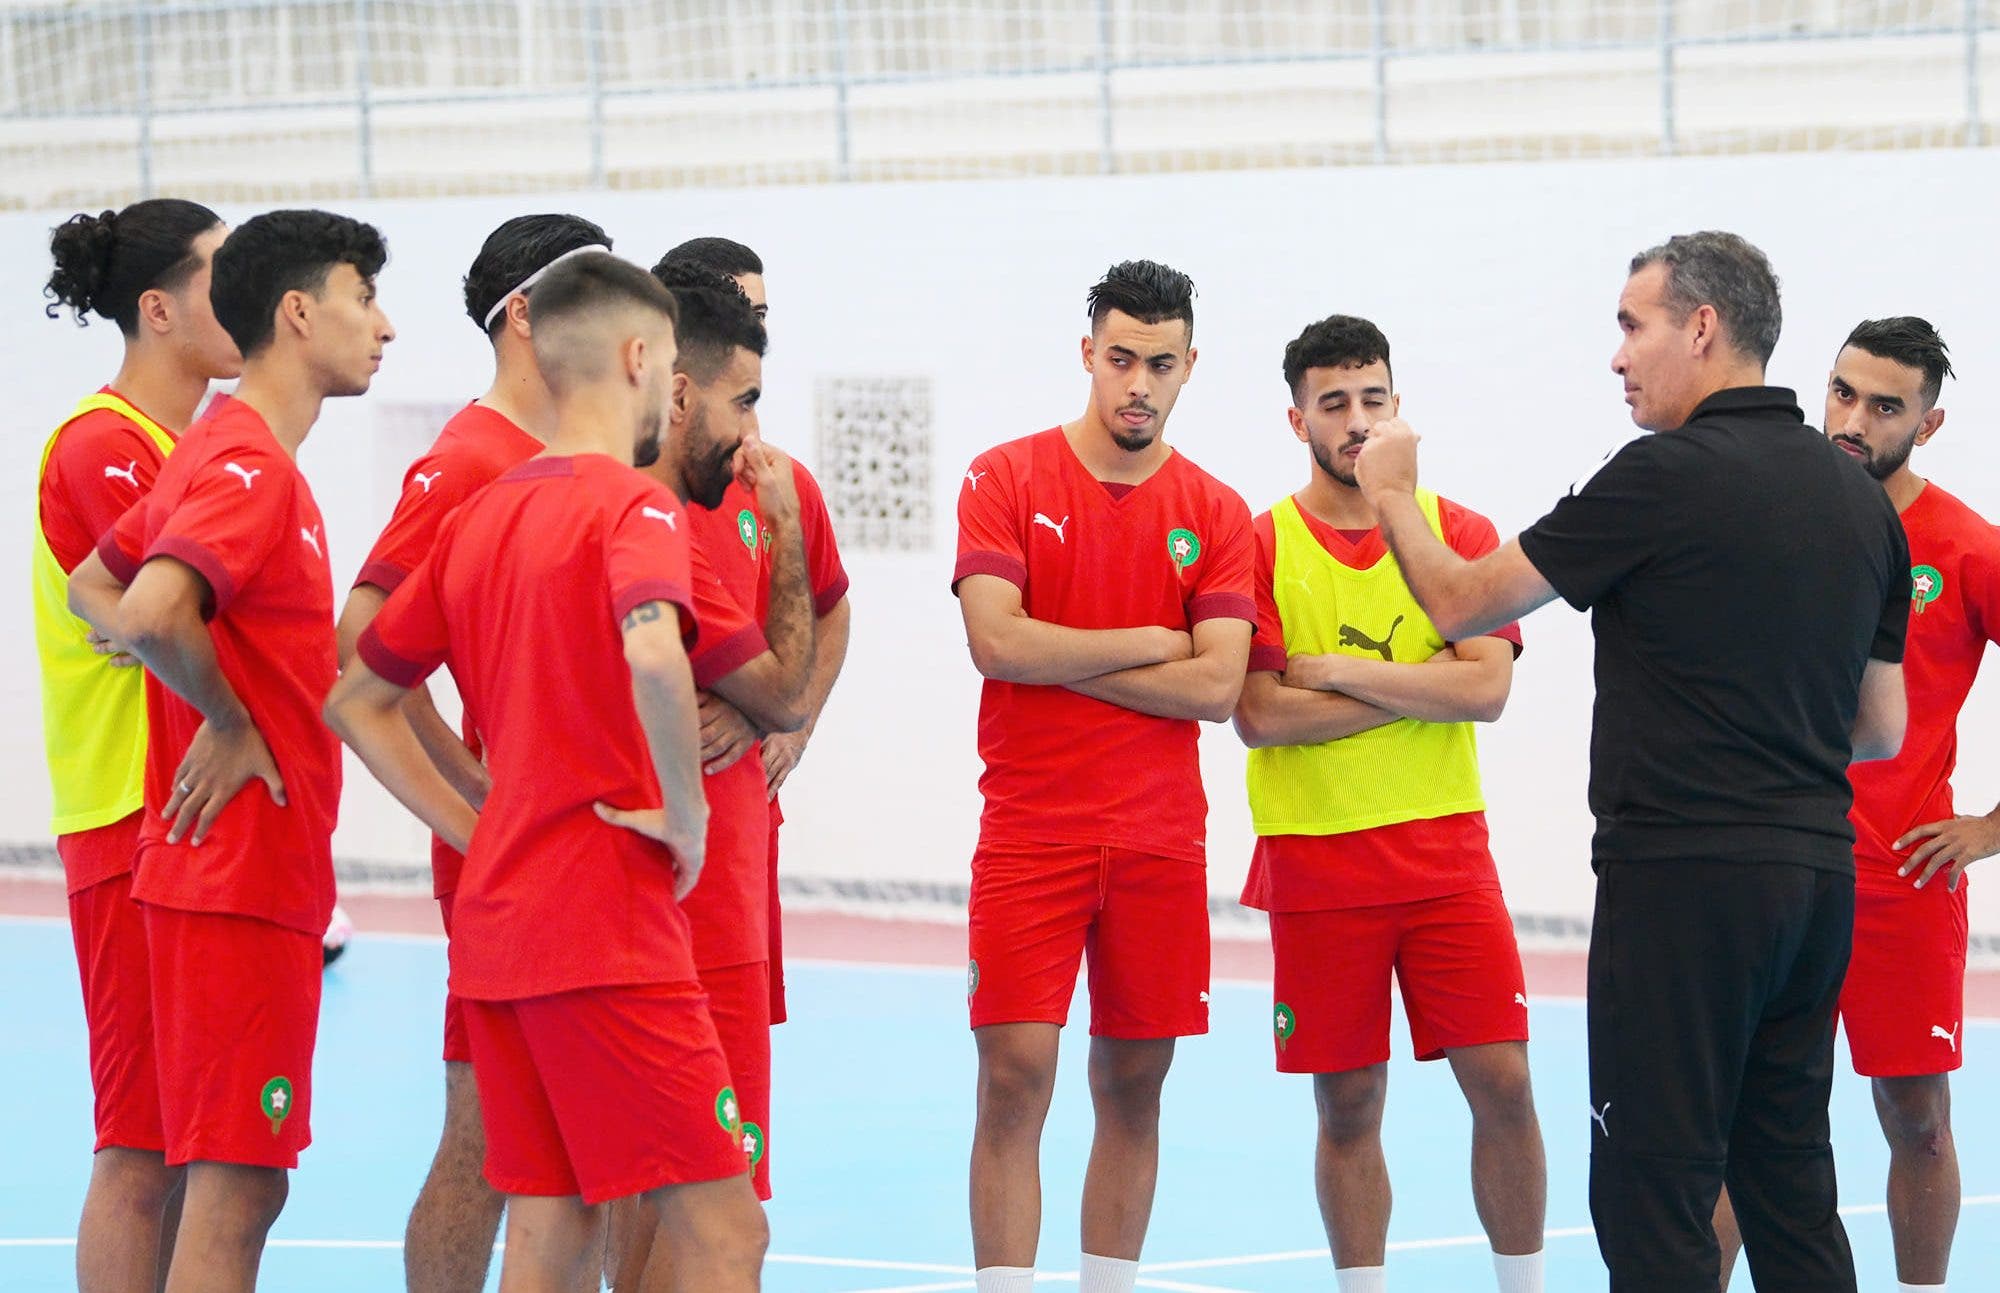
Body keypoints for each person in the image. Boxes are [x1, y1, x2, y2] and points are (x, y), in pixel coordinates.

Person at [1352, 230, 1910, 1292]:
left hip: (1683, 883)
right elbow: (1876, 727)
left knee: (1651, 1190)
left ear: (1700, 328)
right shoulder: (1859, 504)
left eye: (1629, 325)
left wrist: (1391, 491)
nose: (1616, 356)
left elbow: (1462, 600)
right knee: (1786, 1182)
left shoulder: (1658, 476)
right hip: (1813, 880)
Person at [325, 252, 765, 1293]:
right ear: (640, 358)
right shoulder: (632, 507)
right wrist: (686, 810)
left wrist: (483, 829)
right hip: (607, 928)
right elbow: (654, 648)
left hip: (502, 926)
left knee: (552, 1217)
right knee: (725, 1227)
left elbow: (357, 697)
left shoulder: (483, 515)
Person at [67, 208, 394, 1293]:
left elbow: (93, 587)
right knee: (238, 1182)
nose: (383, 327)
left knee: (216, 1171)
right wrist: (230, 717)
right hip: (237, 873)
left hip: (233, 874)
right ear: (299, 314)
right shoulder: (248, 464)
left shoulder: (219, 447)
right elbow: (152, 610)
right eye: (364, 298)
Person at [952, 259, 1254, 1293]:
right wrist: (1149, 643)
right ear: (1087, 354)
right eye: (1119, 358)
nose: (1136, 382)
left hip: (1158, 840)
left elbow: (1217, 686)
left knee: (1134, 1084)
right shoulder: (1005, 478)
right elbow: (996, 645)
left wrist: (1068, 650)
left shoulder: (1212, 509)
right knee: (1013, 1075)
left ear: (1187, 369)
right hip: (1030, 831)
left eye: (1158, 365)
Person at [1233, 314, 1546, 1293]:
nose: (1356, 421)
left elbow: (1484, 692)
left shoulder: (1456, 535)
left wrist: (1333, 675)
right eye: (1333, 404)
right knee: (1347, 1106)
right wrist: (1412, 680)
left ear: (1397, 407)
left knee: (1502, 1085)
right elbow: (1257, 716)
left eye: (1372, 400)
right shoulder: (1258, 543)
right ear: (1297, 421)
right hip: (1316, 860)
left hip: (1445, 855)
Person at [332, 211, 611, 1293]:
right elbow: (361, 647)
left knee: (573, 1149)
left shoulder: (565, 458)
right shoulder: (468, 460)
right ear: (529, 317)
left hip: (576, 856)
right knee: (489, 1138)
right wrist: (473, 790)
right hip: (514, 864)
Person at [1715, 317, 1999, 1293]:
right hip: (1767, 868)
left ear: (1928, 422)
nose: (1852, 418)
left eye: (1884, 405)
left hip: (1899, 882)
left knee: (1915, 1123)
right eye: (1842, 391)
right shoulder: (1767, 514)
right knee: (1738, 1123)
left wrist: (1987, 831)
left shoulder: (1964, 547)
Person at [37, 197, 241, 1293]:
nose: (247, 299)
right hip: (128, 814)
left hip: (186, 817)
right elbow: (168, 616)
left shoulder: (200, 445)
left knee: (185, 1142)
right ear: (158, 309)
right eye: (222, 277)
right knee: (139, 1143)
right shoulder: (105, 444)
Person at [610, 259, 815, 1289]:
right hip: (674, 889)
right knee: (713, 1212)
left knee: (626, 1190)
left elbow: (365, 673)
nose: (753, 422)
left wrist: (785, 720)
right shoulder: (648, 515)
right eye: (746, 393)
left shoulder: (579, 497)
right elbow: (769, 678)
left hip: (712, 886)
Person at [654, 235, 852, 1033]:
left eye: (760, 315)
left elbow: (832, 609)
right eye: (736, 314)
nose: (752, 330)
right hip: (634, 857)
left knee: (736, 1122)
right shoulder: (623, 502)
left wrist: (786, 721)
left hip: (734, 844)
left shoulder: (776, 482)